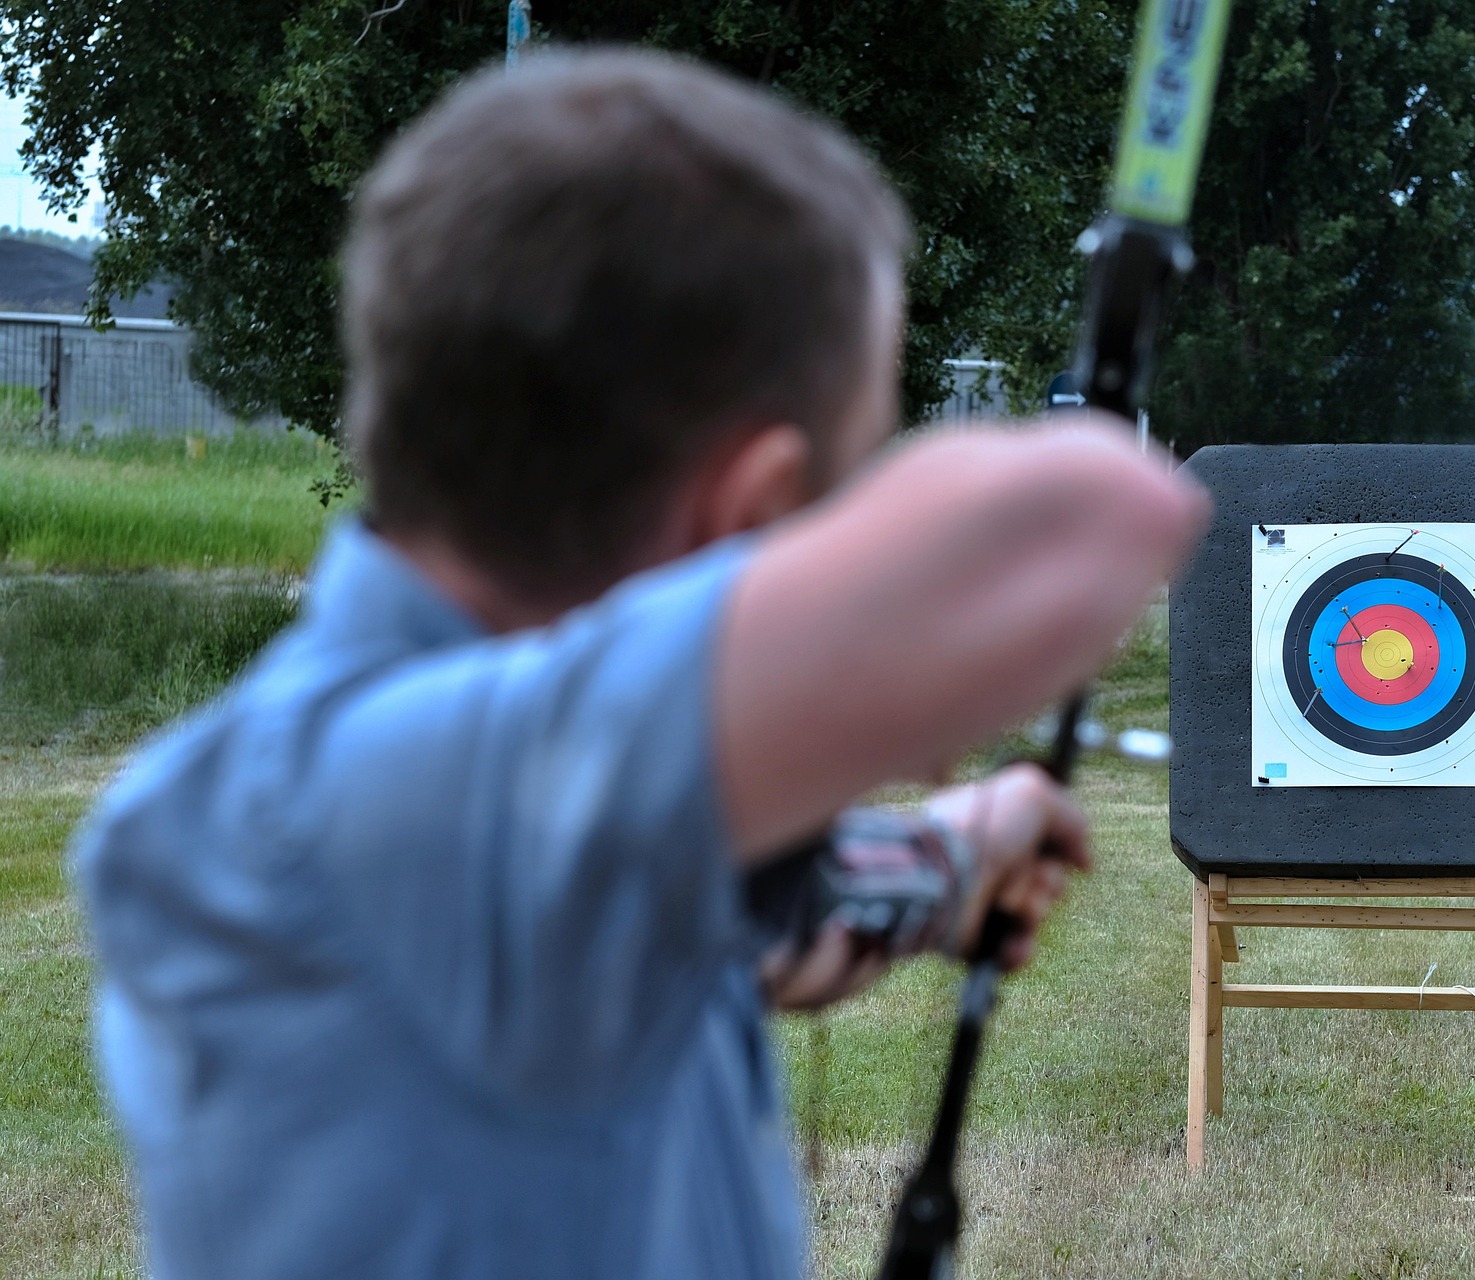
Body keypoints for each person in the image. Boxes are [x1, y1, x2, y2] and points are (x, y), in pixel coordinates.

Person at [72, 48, 1207, 1280]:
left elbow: (734, 910)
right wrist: (870, 669)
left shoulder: (529, 819)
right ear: (750, 512)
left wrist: (949, 852)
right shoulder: (363, 802)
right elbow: (1099, 511)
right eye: (838, 485)